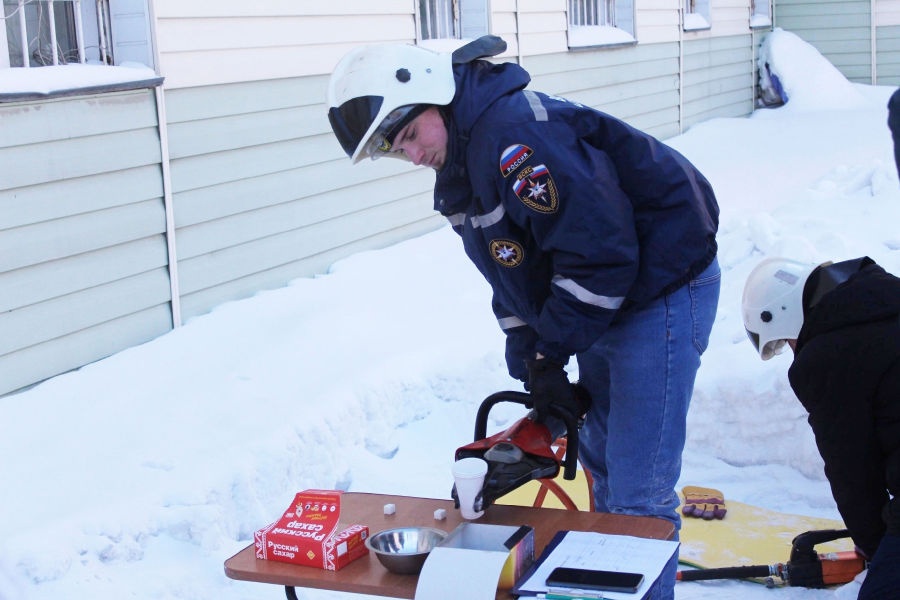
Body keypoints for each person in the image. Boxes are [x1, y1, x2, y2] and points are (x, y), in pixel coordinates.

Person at [327, 36, 721, 598]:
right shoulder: (462, 169)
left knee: (638, 494)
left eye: (411, 135)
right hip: (609, 295)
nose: (412, 156)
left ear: (436, 98)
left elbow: (600, 256)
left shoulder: (515, 139)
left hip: (659, 286)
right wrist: (534, 363)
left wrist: (552, 347)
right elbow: (513, 276)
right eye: (397, 149)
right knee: (604, 472)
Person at [742, 256, 900, 599]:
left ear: (784, 315)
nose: (792, 350)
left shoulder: (825, 359)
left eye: (785, 341)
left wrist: (877, 551)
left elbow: (854, 474)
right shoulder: (884, 298)